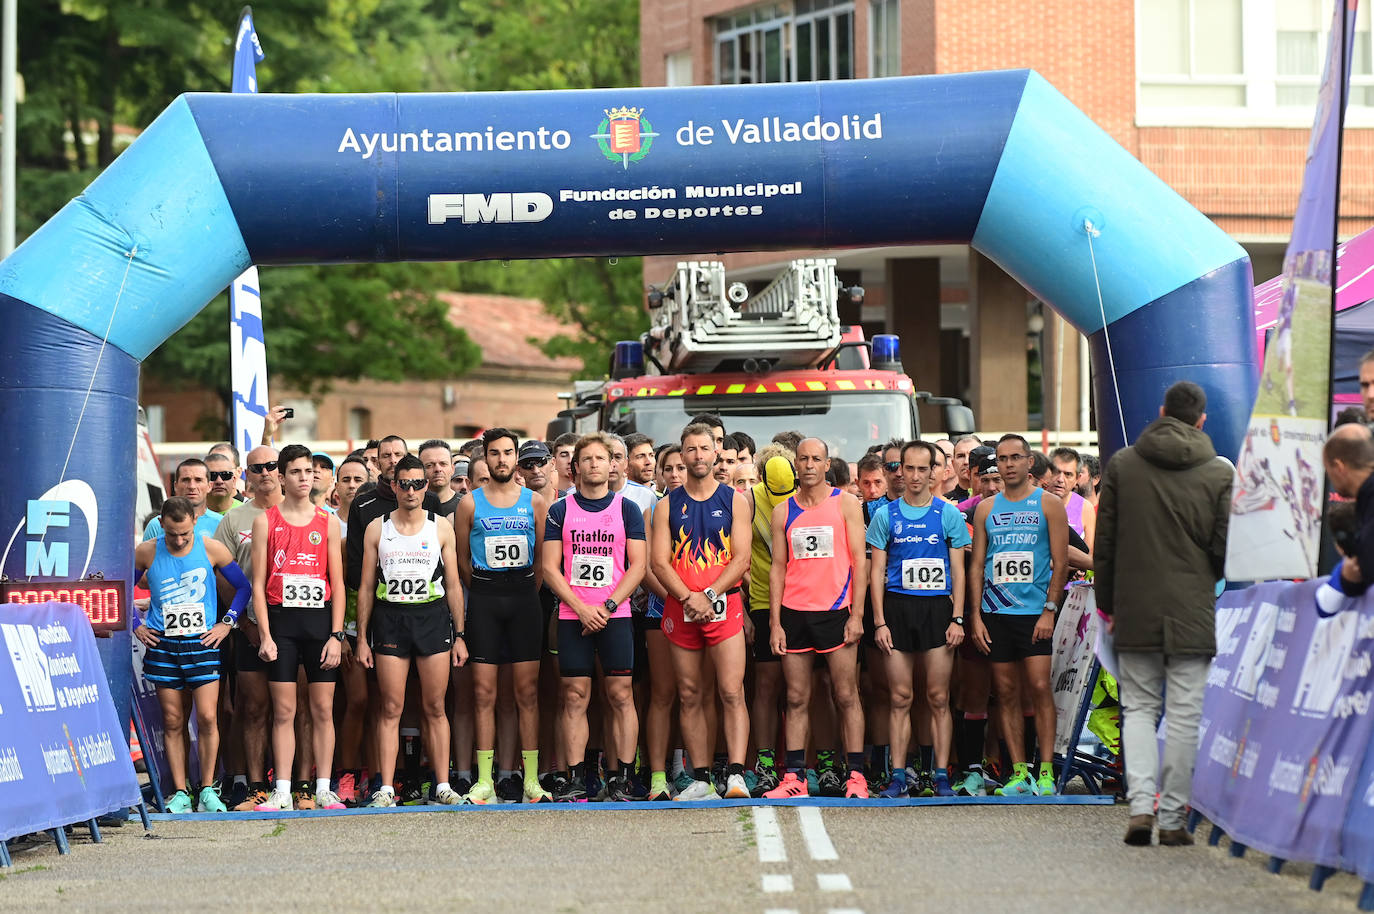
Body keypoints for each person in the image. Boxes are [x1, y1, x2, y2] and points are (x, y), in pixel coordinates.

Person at [1097, 381, 1233, 846]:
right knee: (1184, 715)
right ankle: (1172, 818)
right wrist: (1200, 577)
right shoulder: (1219, 473)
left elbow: (1106, 544)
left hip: (1135, 608)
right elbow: (1224, 547)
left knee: (1137, 709)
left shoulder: (1123, 465)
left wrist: (1106, 604)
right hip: (1192, 609)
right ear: (1202, 420)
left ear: (1160, 411)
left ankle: (1139, 809)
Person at [356, 454, 469, 807]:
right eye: (403, 483)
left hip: (432, 618)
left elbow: (453, 584)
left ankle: (442, 785)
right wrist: (361, 638)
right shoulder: (378, 527)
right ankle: (386, 788)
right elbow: (365, 586)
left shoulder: (440, 527)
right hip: (391, 619)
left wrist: (461, 634)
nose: (411, 490)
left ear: (426, 486)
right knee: (391, 706)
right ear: (394, 485)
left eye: (418, 483)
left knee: (434, 706)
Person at [540, 432, 647, 802]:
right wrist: (583, 608)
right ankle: (576, 778)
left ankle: (623, 779)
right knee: (574, 695)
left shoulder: (627, 509)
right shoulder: (560, 510)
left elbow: (638, 566)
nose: (594, 465)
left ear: (613, 464)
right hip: (574, 615)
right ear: (576, 467)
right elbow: (551, 569)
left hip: (614, 616)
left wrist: (609, 607)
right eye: (587, 459)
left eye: (601, 458)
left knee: (620, 695)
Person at [651, 423, 753, 800]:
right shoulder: (666, 506)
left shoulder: (734, 500)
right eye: (690, 449)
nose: (696, 456)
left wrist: (708, 594)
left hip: (724, 606)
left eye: (703, 449)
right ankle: (701, 778)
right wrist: (690, 598)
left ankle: (738, 775)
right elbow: (659, 563)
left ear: (715, 452)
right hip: (682, 609)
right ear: (682, 454)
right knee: (690, 693)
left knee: (731, 690)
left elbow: (741, 558)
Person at [765, 437, 870, 799]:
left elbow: (860, 561)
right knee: (796, 698)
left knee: (845, 695)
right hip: (795, 613)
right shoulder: (783, 511)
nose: (809, 465)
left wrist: (858, 615)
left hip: (836, 612)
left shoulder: (847, 504)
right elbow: (777, 569)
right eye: (803, 459)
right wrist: (775, 623)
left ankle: (856, 776)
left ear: (827, 465)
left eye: (816, 459)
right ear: (795, 464)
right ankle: (794, 779)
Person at [134, 497, 251, 813]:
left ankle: (209, 788)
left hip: (202, 644)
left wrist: (226, 624)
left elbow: (243, 588)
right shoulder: (147, 551)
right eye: (172, 534)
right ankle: (181, 791)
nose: (180, 540)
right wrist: (136, 626)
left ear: (194, 523)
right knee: (173, 720)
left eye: (185, 533)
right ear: (162, 525)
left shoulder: (211, 548)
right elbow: (121, 592)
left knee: (207, 717)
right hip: (164, 646)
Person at [453, 429, 552, 804]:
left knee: (526, 693)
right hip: (485, 598)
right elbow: (462, 560)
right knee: (483, 693)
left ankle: (530, 780)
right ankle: (483, 781)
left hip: (524, 597)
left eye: (508, 453)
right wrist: (482, 588)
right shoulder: (469, 504)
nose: (501, 460)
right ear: (486, 458)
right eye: (494, 454)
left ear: (515, 458)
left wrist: (527, 588)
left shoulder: (535, 502)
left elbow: (543, 558)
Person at [968, 434, 1070, 797]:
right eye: (1002, 458)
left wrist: (1050, 610)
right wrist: (976, 617)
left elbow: (1061, 563)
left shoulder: (1049, 504)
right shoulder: (985, 508)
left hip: (1035, 613)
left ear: (1029, 462)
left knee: (1040, 688)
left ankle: (1045, 771)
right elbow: (977, 565)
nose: (1008, 464)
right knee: (1006, 693)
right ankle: (1019, 772)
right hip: (996, 613)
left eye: (1015, 458)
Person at [868, 441, 969, 798]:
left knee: (938, 696)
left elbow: (959, 571)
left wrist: (958, 618)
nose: (913, 476)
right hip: (897, 609)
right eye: (906, 468)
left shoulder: (947, 514)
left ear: (934, 473)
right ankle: (898, 775)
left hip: (937, 611)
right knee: (900, 696)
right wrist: (879, 622)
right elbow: (876, 571)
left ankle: (940, 774)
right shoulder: (886, 516)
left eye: (921, 469)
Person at [251, 444, 348, 811]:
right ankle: (283, 789)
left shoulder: (328, 521)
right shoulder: (266, 521)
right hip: (282, 624)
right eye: (296, 472)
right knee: (284, 710)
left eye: (309, 471)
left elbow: (337, 583)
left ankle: (323, 786)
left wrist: (337, 636)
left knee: (322, 709)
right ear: (281, 476)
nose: (304, 478)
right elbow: (258, 584)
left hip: (319, 623)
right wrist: (265, 635)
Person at [213, 445, 282, 810]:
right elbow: (226, 577)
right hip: (250, 627)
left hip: (293, 623)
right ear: (247, 475)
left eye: (272, 465)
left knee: (294, 708)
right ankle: (256, 785)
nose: (265, 472)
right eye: (258, 467)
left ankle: (295, 784)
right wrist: (241, 621)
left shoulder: (310, 514)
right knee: (253, 708)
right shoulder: (234, 520)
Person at [745, 447, 797, 796]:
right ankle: (764, 762)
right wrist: (751, 595)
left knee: (803, 689)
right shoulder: (748, 500)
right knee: (766, 685)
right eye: (776, 494)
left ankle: (801, 764)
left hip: (805, 601)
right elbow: (740, 554)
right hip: (763, 600)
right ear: (762, 480)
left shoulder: (804, 498)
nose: (783, 501)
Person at [639, 444, 688, 800]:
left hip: (701, 610)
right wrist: (676, 596)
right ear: (658, 475)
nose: (674, 474)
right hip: (662, 611)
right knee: (662, 694)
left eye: (680, 468)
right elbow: (644, 568)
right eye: (667, 468)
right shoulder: (651, 512)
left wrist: (694, 599)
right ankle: (658, 775)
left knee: (694, 694)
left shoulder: (712, 505)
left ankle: (685, 768)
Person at [144, 458, 221, 540]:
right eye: (186, 480)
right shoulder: (156, 525)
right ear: (175, 486)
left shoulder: (221, 523)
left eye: (198, 480)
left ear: (209, 486)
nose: (192, 486)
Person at [419, 439, 461, 516]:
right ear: (419, 471)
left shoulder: (466, 505)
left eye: (443, 464)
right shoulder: (412, 506)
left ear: (452, 469)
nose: (438, 469)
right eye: (429, 465)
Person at [516, 439, 560, 505]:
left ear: (553, 463)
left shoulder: (568, 501)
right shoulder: (512, 505)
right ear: (519, 470)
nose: (536, 470)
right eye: (527, 465)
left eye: (541, 462)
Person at [204, 451, 240, 515]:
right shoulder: (191, 515)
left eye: (225, 475)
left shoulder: (246, 512)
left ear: (234, 481)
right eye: (212, 476)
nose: (219, 481)